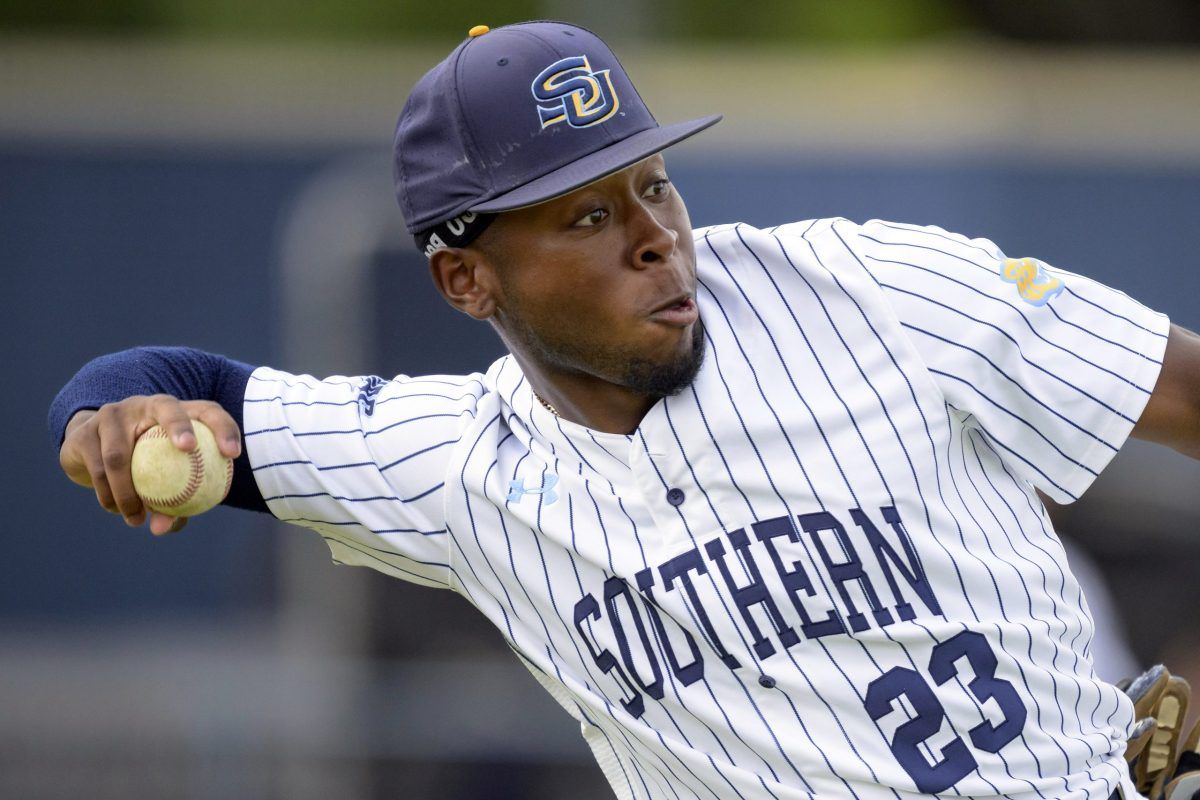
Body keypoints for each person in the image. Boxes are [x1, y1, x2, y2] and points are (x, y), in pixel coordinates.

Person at [49, 20, 1200, 800]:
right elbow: (179, 381)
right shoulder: (457, 466)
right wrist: (112, 414)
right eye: (587, 215)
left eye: (653, 183)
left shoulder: (871, 290)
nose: (655, 234)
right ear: (466, 280)